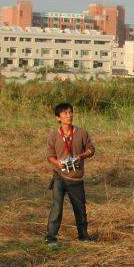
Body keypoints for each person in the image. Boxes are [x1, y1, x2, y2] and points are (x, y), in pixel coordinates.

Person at [45, 102, 96, 244]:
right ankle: (50, 238)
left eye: (70, 112)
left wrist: (82, 156)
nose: (69, 115)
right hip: (59, 177)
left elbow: (91, 149)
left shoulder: (82, 133)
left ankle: (84, 237)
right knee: (56, 208)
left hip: (76, 179)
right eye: (65, 113)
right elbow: (49, 156)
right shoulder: (54, 135)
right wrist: (58, 163)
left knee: (80, 209)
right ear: (58, 118)